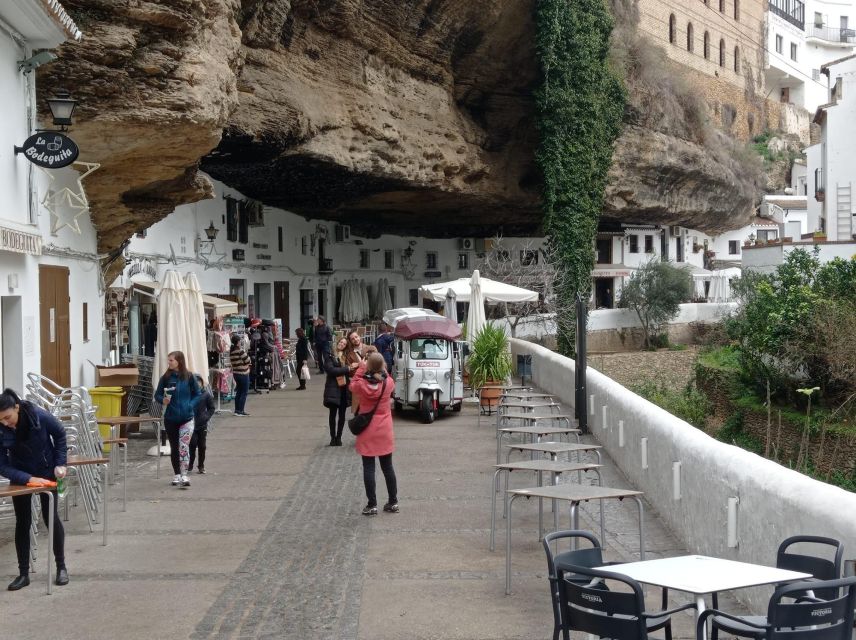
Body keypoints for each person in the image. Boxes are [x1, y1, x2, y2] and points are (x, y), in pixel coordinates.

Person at [0, 388, 69, 590]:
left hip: (47, 472)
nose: (5, 423)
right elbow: (2, 465)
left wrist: (60, 463)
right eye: (1, 420)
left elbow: (61, 435)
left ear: (17, 408)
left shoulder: (40, 416)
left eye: (7, 417)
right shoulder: (1, 429)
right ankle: (23, 574)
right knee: (23, 522)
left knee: (51, 518)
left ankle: (61, 567)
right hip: (22, 476)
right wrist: (28, 479)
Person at [349, 353, 398, 516]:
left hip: (367, 429)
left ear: (368, 366)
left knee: (369, 467)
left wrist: (362, 367)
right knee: (388, 467)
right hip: (384, 428)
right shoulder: (388, 383)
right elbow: (388, 377)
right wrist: (382, 367)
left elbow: (352, 385)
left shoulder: (362, 384)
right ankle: (393, 502)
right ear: (383, 365)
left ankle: (372, 504)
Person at [154, 351, 202, 488]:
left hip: (187, 418)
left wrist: (190, 405)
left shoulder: (189, 376)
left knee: (183, 446)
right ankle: (176, 474)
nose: (168, 363)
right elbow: (157, 395)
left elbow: (198, 394)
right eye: (168, 360)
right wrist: (163, 400)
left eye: (171, 360)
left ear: (179, 361)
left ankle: (184, 474)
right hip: (171, 418)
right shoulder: (166, 378)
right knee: (175, 447)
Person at [323, 337, 351, 446]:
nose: (342, 345)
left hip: (344, 388)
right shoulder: (330, 355)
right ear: (337, 343)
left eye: (344, 344)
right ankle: (332, 437)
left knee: (342, 415)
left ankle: (339, 437)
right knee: (332, 414)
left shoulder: (346, 357)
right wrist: (347, 369)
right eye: (341, 342)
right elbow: (331, 370)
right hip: (333, 388)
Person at [189, 374, 215, 474]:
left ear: (202, 383)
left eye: (198, 382)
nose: (197, 384)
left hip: (202, 424)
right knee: (192, 445)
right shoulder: (189, 394)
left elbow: (212, 408)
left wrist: (206, 417)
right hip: (191, 424)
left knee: (202, 446)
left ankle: (201, 466)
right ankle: (190, 464)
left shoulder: (206, 395)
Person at [230, 333, 251, 416]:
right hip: (243, 373)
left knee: (239, 392)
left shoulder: (231, 352)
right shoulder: (240, 351)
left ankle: (237, 410)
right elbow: (248, 361)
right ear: (238, 342)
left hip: (236, 374)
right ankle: (241, 410)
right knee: (244, 392)